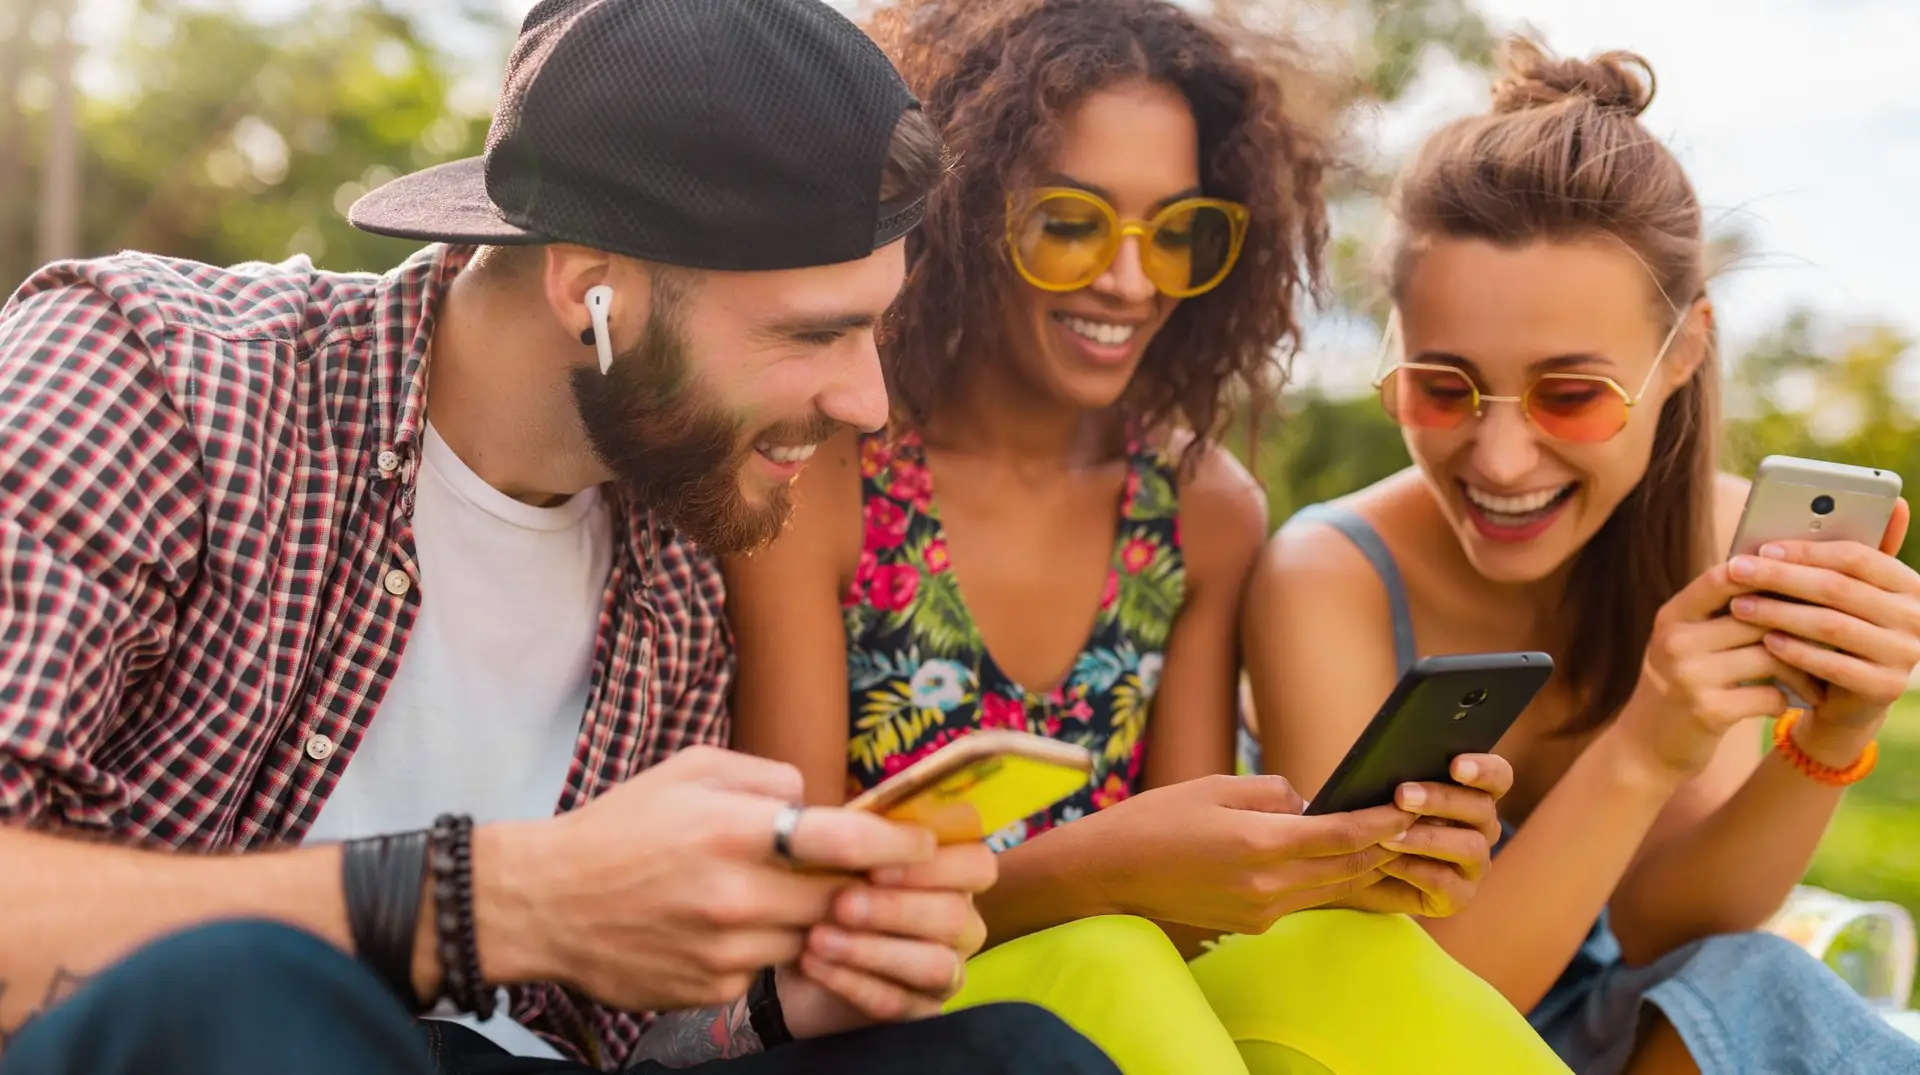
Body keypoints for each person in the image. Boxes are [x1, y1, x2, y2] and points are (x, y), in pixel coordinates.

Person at [0, 2, 1124, 1074]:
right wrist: (497, 902)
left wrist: (780, 997)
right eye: (814, 334)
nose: (867, 404)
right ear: (593, 292)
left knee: (1010, 1053)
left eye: (872, 327)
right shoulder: (155, 377)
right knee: (246, 992)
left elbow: (623, 1038)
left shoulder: (679, 557)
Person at [723, 1, 1571, 1072]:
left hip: (1120, 1007)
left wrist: (1341, 861)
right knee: (1114, 956)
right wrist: (1092, 877)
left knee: (1365, 958)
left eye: (1177, 232)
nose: (1132, 280)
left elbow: (1189, 907)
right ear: (957, 211)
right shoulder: (823, 474)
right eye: (1072, 222)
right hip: (867, 1023)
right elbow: (792, 922)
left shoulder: (1200, 511)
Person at [1243, 36, 1920, 1075]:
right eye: (1444, 386)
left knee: (1762, 985)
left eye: (1570, 395)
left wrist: (1837, 730)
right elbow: (1409, 1025)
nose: (1502, 458)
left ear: (1683, 353)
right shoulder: (1324, 576)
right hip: (1389, 1043)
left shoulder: (1715, 546)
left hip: (1596, 1034)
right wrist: (1648, 740)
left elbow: (1680, 942)